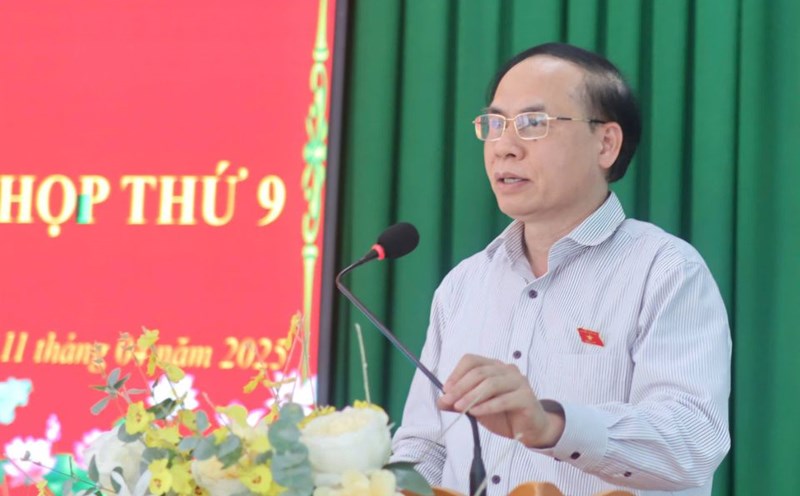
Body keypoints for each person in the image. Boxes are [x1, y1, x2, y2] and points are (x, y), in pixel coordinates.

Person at [391, 43, 731, 496]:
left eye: (534, 124)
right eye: (494, 124)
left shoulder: (666, 271)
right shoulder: (464, 284)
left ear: (606, 144)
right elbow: (425, 445)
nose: (504, 148)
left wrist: (551, 424)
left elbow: (692, 441)